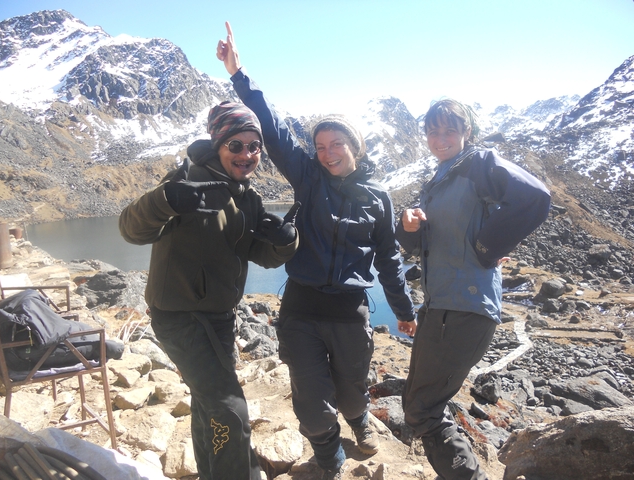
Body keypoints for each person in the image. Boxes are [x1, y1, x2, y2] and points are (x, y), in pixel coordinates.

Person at [216, 22, 417, 480]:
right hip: (302, 306)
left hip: (350, 312)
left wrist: (403, 308)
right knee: (310, 394)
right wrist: (239, 73)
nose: (327, 154)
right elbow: (272, 126)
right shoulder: (307, 178)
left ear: (355, 147)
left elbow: (388, 256)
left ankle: (360, 420)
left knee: (350, 392)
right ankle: (328, 456)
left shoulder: (378, 197)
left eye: (336, 144)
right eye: (321, 146)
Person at [118, 101, 300, 480]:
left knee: (208, 405)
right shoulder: (186, 179)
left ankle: (212, 472)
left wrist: (285, 241)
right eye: (236, 145)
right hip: (181, 319)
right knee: (228, 410)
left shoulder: (246, 196)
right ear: (218, 143)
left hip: (219, 318)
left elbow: (259, 255)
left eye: (254, 146)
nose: (247, 154)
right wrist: (165, 200)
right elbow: (131, 230)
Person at [396, 99, 551, 479]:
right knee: (418, 403)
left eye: (450, 130)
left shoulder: (479, 164)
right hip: (438, 308)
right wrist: (407, 227)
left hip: (464, 309)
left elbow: (534, 197)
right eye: (433, 131)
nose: (440, 138)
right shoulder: (439, 179)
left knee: (422, 410)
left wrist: (488, 247)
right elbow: (422, 246)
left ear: (467, 132)